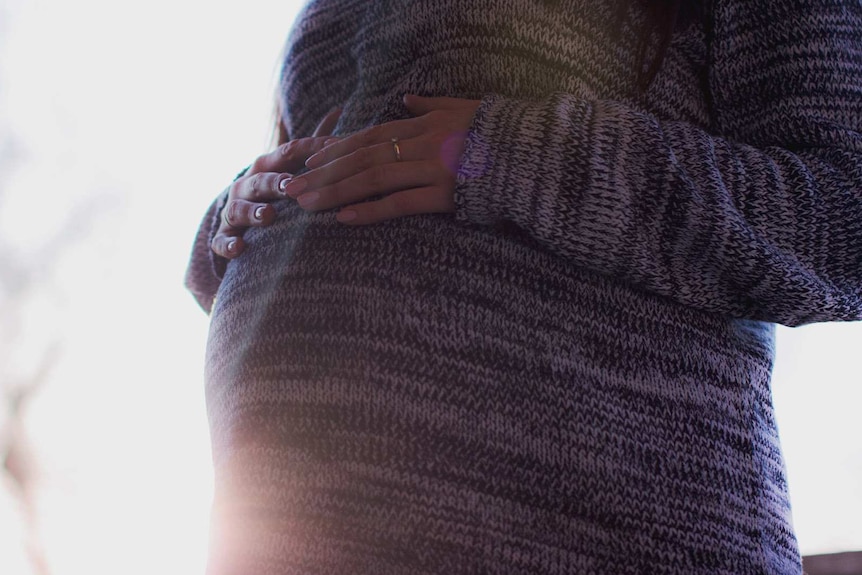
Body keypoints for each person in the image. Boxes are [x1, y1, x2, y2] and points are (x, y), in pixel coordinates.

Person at [185, 0, 862, 573]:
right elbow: (362, 147)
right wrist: (238, 217)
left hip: (597, 518)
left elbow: (841, 219)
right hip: (296, 511)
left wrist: (505, 153)